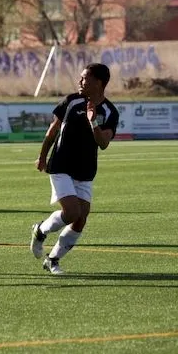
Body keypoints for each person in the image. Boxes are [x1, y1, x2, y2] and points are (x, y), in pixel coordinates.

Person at [30, 63, 119, 275]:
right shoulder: (71, 101)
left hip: (85, 169)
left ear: (98, 83)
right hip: (61, 164)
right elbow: (52, 131)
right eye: (80, 78)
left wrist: (93, 122)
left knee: (81, 218)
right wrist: (42, 156)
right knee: (71, 212)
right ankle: (40, 231)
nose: (80, 82)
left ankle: (53, 259)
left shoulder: (109, 112)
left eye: (85, 78)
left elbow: (103, 143)